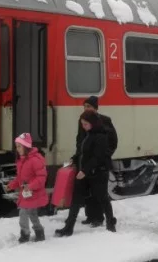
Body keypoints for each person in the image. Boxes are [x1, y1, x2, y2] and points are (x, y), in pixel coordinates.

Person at [55, 110, 117, 237]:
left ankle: (110, 223)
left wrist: (85, 170)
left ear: (93, 123)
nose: (83, 127)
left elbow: (97, 157)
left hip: (98, 173)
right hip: (84, 172)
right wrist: (74, 158)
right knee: (76, 199)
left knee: (102, 197)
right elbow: (83, 151)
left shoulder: (101, 136)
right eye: (82, 124)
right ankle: (69, 227)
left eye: (86, 124)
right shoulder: (88, 134)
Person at [76, 96, 118, 227]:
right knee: (87, 190)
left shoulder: (105, 120)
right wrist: (78, 154)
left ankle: (100, 218)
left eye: (89, 107)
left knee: (99, 192)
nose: (86, 109)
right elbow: (80, 139)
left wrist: (105, 154)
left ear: (95, 108)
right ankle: (90, 215)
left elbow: (113, 141)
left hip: (99, 163)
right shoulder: (82, 121)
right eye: (85, 107)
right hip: (86, 162)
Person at [6, 133, 48, 243]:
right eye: (16, 146)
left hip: (33, 193)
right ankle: (39, 232)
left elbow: (41, 178)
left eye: (19, 146)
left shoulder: (35, 160)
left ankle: (25, 234)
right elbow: (20, 178)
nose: (17, 149)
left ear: (26, 147)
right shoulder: (21, 160)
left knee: (23, 213)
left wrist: (30, 186)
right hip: (26, 193)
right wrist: (12, 184)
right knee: (32, 214)